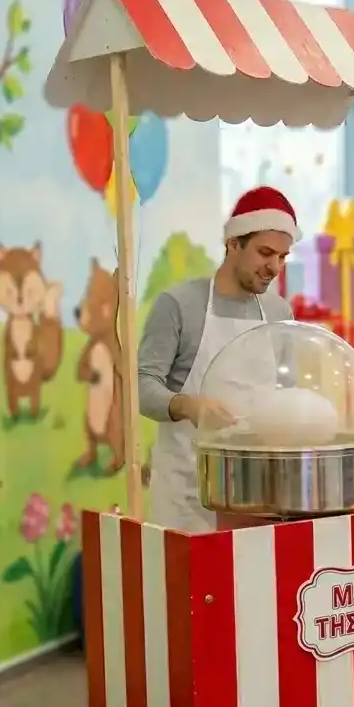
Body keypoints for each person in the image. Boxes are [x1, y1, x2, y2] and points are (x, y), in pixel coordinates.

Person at [137, 186, 296, 532]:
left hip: (258, 496)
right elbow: (142, 387)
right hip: (188, 497)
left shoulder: (279, 311)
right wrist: (189, 406)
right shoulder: (178, 305)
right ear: (233, 244)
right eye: (265, 253)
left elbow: (286, 389)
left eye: (283, 257)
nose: (274, 267)